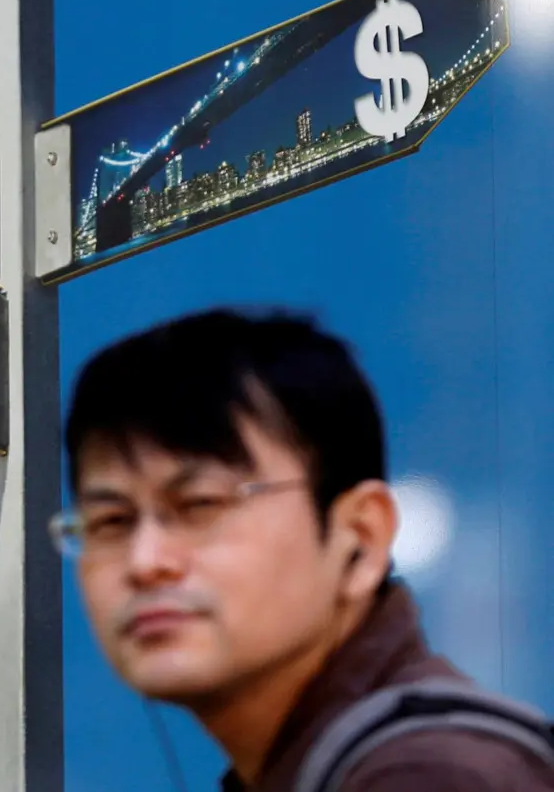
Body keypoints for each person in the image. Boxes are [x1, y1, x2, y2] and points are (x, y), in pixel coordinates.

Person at [55, 307, 554, 791]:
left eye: (200, 505)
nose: (146, 562)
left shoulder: (428, 774)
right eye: (111, 521)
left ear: (361, 537)